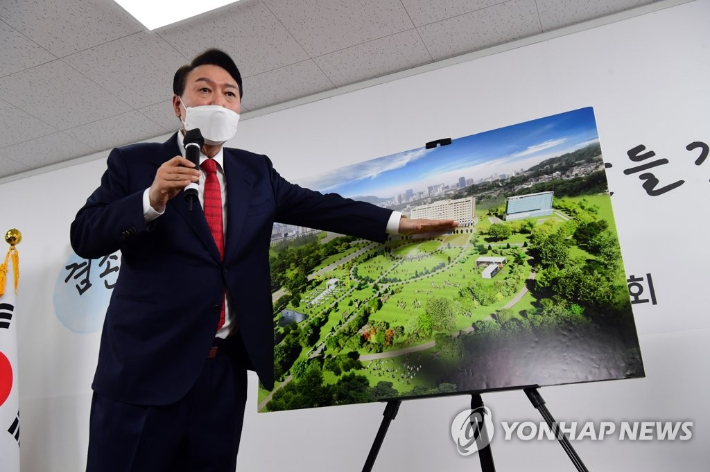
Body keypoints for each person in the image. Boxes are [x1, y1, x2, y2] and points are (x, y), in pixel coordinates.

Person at [71, 48, 457, 472]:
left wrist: (397, 222)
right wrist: (150, 198)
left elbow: (321, 208)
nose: (218, 101)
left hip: (223, 374)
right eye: (205, 90)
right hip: (144, 372)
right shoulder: (134, 162)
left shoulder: (256, 172)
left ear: (239, 108)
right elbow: (85, 234)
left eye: (230, 93)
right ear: (179, 106)